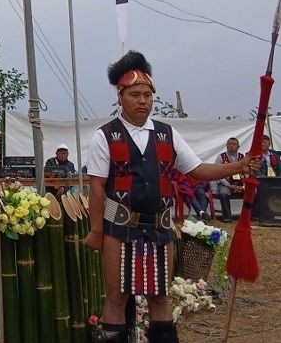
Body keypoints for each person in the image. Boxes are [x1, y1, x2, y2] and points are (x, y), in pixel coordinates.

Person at [84, 51, 260, 343]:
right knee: (116, 298)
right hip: (119, 228)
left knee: (159, 297)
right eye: (135, 94)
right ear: (120, 97)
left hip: (159, 229)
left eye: (147, 95)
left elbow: (198, 169)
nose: (143, 100)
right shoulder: (105, 136)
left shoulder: (167, 134)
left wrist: (239, 166)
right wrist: (96, 230)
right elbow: (97, 187)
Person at [212, 136, 245, 220]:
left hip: (240, 184)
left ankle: (250, 216)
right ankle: (227, 217)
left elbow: (246, 174)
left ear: (238, 147)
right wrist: (229, 185)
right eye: (229, 144)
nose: (231, 146)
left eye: (234, 144)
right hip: (225, 184)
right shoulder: (220, 157)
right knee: (223, 194)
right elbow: (217, 174)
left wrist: (244, 186)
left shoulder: (242, 157)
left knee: (253, 193)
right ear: (226, 145)